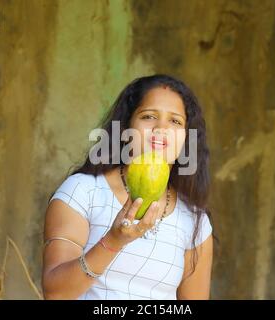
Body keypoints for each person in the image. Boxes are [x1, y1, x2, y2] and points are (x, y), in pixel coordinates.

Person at [42, 74, 214, 300]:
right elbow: (55, 293)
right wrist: (113, 241)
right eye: (149, 116)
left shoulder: (195, 223)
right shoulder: (82, 192)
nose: (161, 128)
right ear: (126, 129)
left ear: (186, 139)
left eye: (175, 121)